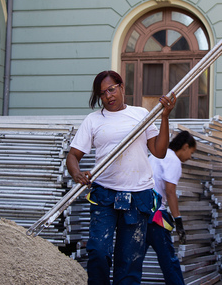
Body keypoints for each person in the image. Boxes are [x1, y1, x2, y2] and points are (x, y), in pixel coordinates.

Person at [66, 70, 176, 285]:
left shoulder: (141, 114)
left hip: (138, 197)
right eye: (103, 93)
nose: (108, 96)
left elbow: (159, 151)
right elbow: (73, 155)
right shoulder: (93, 120)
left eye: (111, 89)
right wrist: (76, 172)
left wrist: (164, 117)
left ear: (122, 87)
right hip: (104, 196)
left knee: (129, 263)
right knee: (98, 251)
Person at [145, 130, 196, 285]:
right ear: (185, 146)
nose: (190, 157)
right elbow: (170, 191)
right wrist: (178, 220)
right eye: (191, 152)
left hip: (141, 211)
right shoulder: (173, 160)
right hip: (156, 215)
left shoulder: (157, 154)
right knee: (168, 259)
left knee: (134, 258)